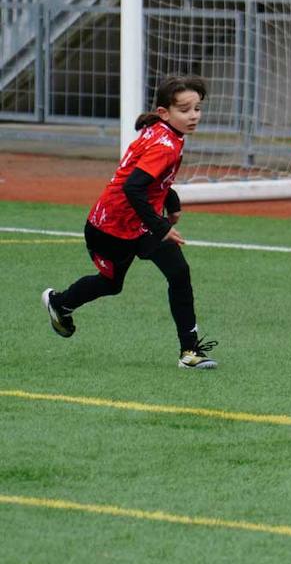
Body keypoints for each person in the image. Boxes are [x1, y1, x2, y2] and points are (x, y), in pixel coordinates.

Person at [42, 76, 219, 369]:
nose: (194, 116)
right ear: (165, 113)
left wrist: (170, 204)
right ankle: (59, 303)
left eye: (197, 108)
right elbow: (133, 187)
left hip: (139, 222)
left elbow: (148, 181)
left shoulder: (164, 132)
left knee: (178, 273)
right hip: (109, 225)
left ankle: (190, 352)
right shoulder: (165, 144)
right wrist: (163, 225)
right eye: (185, 110)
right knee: (111, 284)